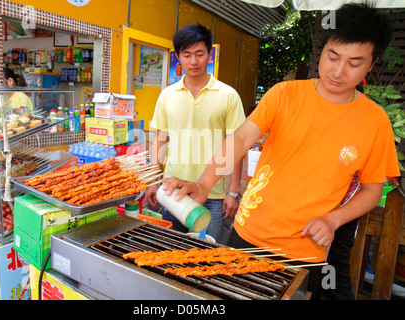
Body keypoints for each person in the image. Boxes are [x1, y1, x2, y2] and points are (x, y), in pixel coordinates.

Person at [161, 3, 400, 299]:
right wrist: (204, 182)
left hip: (304, 250)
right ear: (322, 50)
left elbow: (372, 190)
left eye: (354, 63)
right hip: (247, 234)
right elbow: (239, 140)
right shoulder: (284, 95)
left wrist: (333, 220)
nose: (338, 71)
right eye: (332, 56)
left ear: (371, 64)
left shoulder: (374, 121)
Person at [147, 23, 246, 244]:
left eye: (199, 54)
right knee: (171, 253)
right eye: (187, 54)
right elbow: (160, 141)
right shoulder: (167, 95)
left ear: (209, 55)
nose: (193, 61)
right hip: (173, 190)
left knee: (206, 256)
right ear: (178, 57)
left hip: (213, 194)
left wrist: (233, 192)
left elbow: (237, 145)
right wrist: (154, 181)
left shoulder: (228, 95)